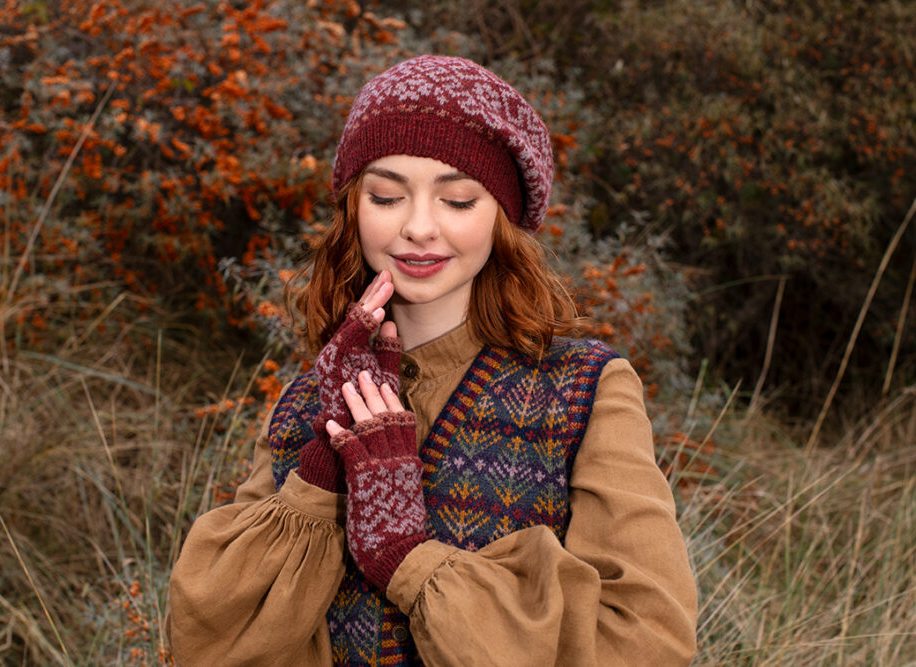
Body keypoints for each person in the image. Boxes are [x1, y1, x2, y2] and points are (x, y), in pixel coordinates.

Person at [166, 55, 698, 666]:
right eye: (388, 195)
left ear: (502, 216)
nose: (419, 227)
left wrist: (406, 558)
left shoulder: (583, 391)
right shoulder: (306, 401)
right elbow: (209, 641)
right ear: (355, 210)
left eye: (459, 200)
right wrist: (321, 469)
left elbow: (646, 641)